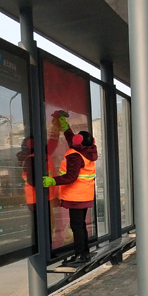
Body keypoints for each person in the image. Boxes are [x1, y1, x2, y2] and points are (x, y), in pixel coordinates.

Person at [43, 112, 98, 264]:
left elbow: (71, 177)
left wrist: (52, 181)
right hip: (84, 195)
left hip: (76, 197)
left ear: (78, 141)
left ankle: (80, 255)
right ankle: (85, 253)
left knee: (77, 226)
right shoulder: (87, 151)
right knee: (80, 225)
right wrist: (65, 127)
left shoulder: (75, 155)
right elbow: (72, 140)